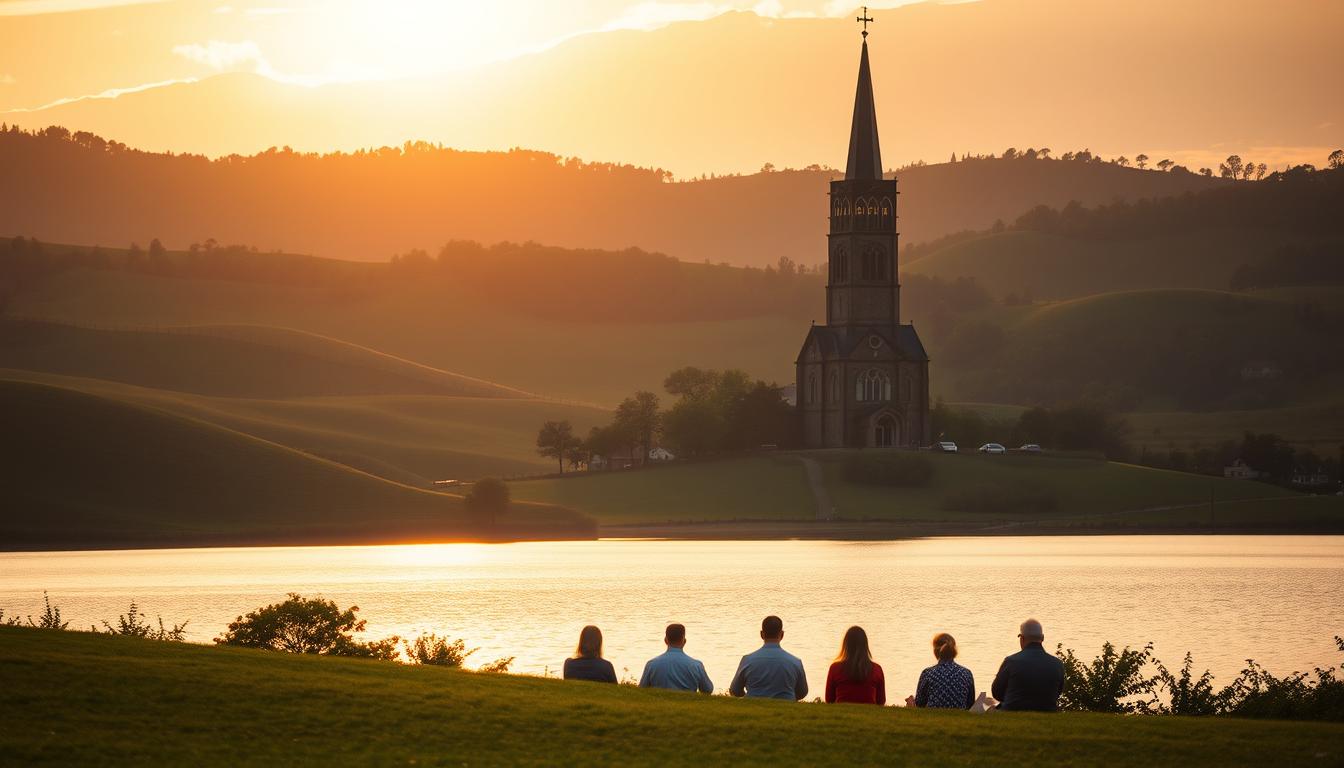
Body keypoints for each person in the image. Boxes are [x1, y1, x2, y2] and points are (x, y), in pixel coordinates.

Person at [990, 618, 1065, 711]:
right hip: (1047, 712)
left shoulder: (1011, 661)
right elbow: (1057, 692)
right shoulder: (1057, 664)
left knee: (990, 709)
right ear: (1042, 638)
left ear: (1022, 638)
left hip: (1012, 711)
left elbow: (997, 693)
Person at [728, 615, 808, 700]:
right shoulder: (795, 662)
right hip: (786, 707)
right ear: (782, 634)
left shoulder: (747, 660)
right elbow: (802, 693)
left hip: (754, 707)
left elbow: (735, 690)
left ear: (762, 634)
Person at [638, 623, 714, 693]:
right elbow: (708, 690)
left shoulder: (652, 664)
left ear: (665, 640)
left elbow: (642, 690)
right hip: (688, 704)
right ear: (684, 641)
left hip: (660, 703)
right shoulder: (696, 665)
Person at [911, 633, 976, 709]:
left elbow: (920, 704)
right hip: (960, 716)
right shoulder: (966, 673)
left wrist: (911, 703)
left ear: (935, 651)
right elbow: (970, 703)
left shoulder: (928, 673)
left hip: (932, 717)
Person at [825, 625, 886, 705]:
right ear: (865, 645)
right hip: (869, 715)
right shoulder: (877, 669)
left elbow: (829, 700)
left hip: (841, 713)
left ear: (846, 645)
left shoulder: (835, 668)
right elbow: (881, 701)